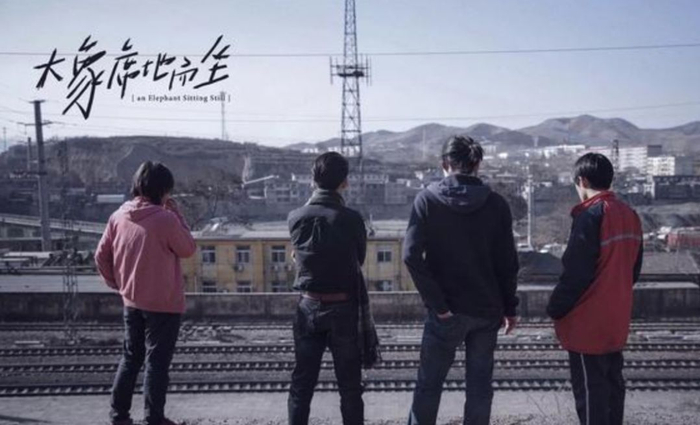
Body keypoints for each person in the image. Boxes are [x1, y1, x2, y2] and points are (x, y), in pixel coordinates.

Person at [403, 135, 519, 425]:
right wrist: (510, 307)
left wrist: (438, 305)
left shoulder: (427, 200)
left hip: (446, 312)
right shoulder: (496, 204)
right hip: (487, 310)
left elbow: (411, 256)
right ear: (477, 164)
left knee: (429, 386)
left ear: (445, 163)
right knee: (480, 389)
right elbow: (507, 262)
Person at [95, 161, 196, 425]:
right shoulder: (166, 219)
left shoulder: (118, 216)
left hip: (132, 302)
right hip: (163, 304)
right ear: (163, 190)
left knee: (131, 358)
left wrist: (116, 283)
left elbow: (101, 256)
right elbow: (187, 248)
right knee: (156, 363)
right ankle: (153, 418)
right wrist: (178, 215)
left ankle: (118, 416)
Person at [547, 153, 643, 425]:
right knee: (613, 387)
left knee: (591, 393)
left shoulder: (590, 216)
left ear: (582, 181)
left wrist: (555, 308)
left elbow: (576, 274)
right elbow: (633, 270)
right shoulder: (630, 215)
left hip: (587, 323)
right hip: (617, 318)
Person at [287, 152, 370, 425]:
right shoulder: (352, 219)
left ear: (313, 180)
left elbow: (302, 255)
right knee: (350, 386)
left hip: (307, 305)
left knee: (302, 384)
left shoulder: (295, 217)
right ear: (345, 182)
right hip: (343, 308)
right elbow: (358, 260)